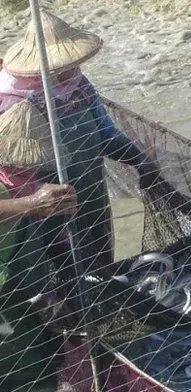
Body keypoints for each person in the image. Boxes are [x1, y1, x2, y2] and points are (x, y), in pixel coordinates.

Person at [0, 10, 161, 270]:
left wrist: (140, 160)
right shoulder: (11, 102)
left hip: (90, 190)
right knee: (61, 273)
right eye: (61, 65)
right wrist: (36, 202)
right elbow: (11, 173)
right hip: (44, 205)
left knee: (100, 264)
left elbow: (105, 133)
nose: (72, 70)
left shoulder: (79, 86)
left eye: (72, 62)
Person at [0, 100, 78, 391]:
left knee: (44, 363)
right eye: (19, 165)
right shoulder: (18, 193)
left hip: (26, 295)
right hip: (6, 301)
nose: (28, 172)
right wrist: (31, 204)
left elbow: (46, 244)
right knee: (23, 371)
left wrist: (52, 291)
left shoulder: (37, 187)